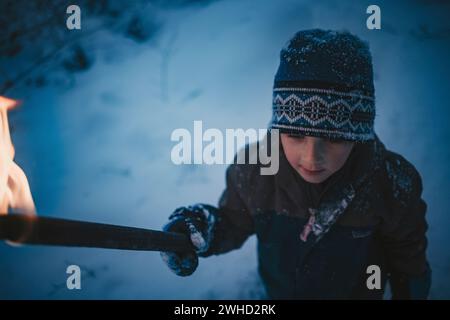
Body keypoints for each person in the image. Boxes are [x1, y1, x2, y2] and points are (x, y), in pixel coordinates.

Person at [160, 29, 431, 299]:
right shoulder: (255, 169)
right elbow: (232, 221)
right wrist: (201, 227)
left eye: (334, 138)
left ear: (357, 136)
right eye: (296, 135)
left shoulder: (393, 184)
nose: (312, 157)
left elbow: (407, 262)